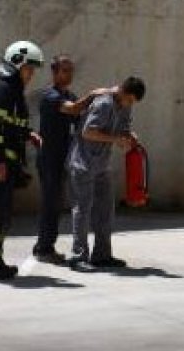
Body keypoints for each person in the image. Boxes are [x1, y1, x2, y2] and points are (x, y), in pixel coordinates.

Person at [0, 40, 44, 281]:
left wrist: (28, 134)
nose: (31, 74)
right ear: (16, 64)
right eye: (28, 69)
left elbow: (10, 125)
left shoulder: (12, 92)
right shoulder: (3, 89)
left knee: (0, 215)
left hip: (2, 163)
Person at [31, 55, 111, 264]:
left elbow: (81, 120)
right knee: (51, 203)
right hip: (50, 158)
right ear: (55, 72)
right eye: (65, 70)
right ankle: (43, 248)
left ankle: (45, 246)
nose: (69, 75)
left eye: (71, 70)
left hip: (66, 157)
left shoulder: (71, 95)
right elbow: (74, 109)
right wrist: (93, 95)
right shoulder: (50, 96)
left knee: (57, 204)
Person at [67, 76, 145, 271]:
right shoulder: (103, 104)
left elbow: (124, 128)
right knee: (82, 210)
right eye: (130, 101)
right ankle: (78, 257)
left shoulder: (125, 105)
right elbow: (88, 132)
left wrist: (129, 136)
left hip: (102, 164)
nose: (130, 105)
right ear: (124, 93)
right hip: (83, 163)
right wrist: (115, 139)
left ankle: (102, 255)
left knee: (105, 210)